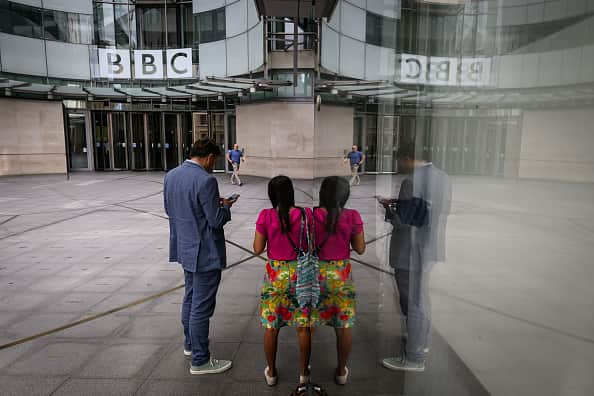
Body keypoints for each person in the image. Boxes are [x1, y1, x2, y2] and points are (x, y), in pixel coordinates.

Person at [164, 138, 237, 375]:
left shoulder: (171, 175)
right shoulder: (206, 180)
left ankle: (189, 344)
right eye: (213, 160)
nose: (212, 165)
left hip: (185, 248)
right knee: (201, 307)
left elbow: (170, 209)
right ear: (208, 157)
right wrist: (225, 207)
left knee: (190, 296)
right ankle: (200, 360)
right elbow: (215, 220)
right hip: (205, 252)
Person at [379, 143, 451, 372]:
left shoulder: (411, 181)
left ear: (409, 157)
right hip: (430, 247)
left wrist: (389, 210)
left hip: (411, 251)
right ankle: (420, 342)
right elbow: (434, 213)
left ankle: (414, 356)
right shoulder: (443, 177)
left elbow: (403, 222)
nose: (398, 164)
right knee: (422, 298)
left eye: (399, 159)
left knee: (413, 301)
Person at [253, 176, 313, 386]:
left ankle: (271, 372)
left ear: (271, 195)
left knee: (271, 326)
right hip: (301, 273)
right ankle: (304, 373)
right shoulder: (305, 214)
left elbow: (258, 248)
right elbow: (310, 243)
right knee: (303, 327)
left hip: (275, 275)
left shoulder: (266, 216)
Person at [311, 176, 365, 385]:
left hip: (315, 272)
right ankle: (341, 371)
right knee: (343, 326)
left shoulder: (313, 214)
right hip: (341, 275)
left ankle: (306, 367)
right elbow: (360, 249)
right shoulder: (352, 216)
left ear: (322, 194)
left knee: (309, 323)